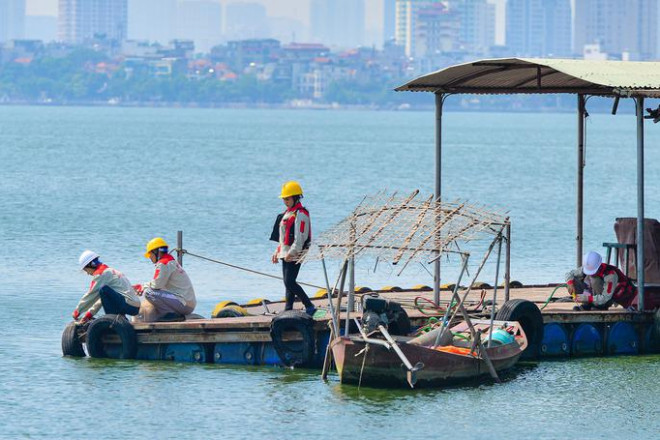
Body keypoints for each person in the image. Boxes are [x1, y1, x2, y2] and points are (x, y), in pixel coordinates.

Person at [271, 181, 316, 316]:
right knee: (288, 282)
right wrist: (277, 251)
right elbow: (282, 237)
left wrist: (293, 252)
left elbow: (300, 236)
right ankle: (288, 308)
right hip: (285, 252)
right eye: (284, 198)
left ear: (296, 197)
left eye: (288, 198)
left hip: (296, 252)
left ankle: (309, 305)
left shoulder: (300, 214)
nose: (285, 201)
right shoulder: (287, 213)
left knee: (289, 281)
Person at [134, 237, 197, 322]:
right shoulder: (170, 261)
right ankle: (169, 314)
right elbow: (159, 283)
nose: (150, 257)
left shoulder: (163, 263)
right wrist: (144, 285)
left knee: (149, 293)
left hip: (184, 304)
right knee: (153, 290)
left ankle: (170, 314)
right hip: (187, 303)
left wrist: (143, 287)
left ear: (156, 252)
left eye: (150, 254)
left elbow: (156, 285)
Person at [72, 250, 141, 323]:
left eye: (86, 270)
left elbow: (90, 295)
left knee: (103, 290)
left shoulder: (101, 274)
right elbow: (102, 298)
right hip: (134, 306)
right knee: (104, 291)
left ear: (91, 265)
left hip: (128, 305)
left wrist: (77, 311)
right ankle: (120, 319)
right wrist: (89, 314)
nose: (88, 274)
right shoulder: (109, 271)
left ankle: (112, 320)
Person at [565, 251, 637, 311]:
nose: (590, 274)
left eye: (592, 272)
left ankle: (600, 307)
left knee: (595, 280)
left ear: (599, 267)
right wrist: (570, 283)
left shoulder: (611, 275)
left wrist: (587, 298)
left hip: (607, 299)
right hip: (593, 294)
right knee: (573, 280)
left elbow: (605, 297)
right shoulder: (589, 267)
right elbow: (570, 274)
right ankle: (587, 304)